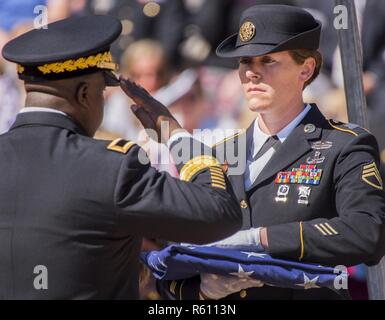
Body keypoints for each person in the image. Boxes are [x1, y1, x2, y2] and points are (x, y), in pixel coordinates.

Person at [0, 15, 242, 299]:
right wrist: (173, 131)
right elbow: (218, 213)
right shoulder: (112, 167)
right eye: (102, 91)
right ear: (85, 94)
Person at [157, 4, 385, 300]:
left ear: (306, 68)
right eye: (245, 61)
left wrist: (259, 239)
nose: (252, 73)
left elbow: (367, 232)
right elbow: (172, 258)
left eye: (268, 61)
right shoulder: (220, 153)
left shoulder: (345, 145)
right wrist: (200, 291)